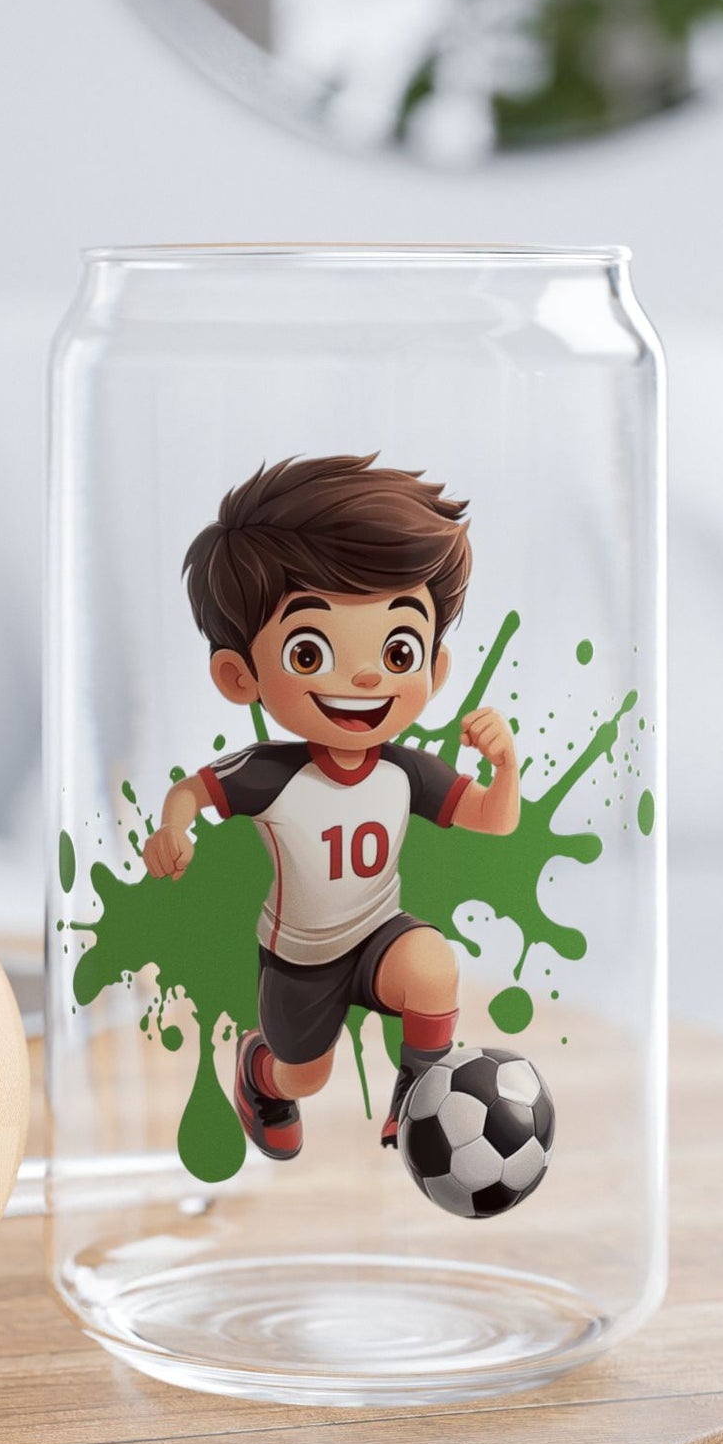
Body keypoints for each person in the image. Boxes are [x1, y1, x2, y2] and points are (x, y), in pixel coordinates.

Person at [144, 454, 521, 1160]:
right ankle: (260, 1070)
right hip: (301, 961)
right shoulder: (273, 774)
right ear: (239, 676)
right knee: (304, 1076)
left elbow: (494, 820)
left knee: (432, 964)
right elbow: (192, 790)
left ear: (435, 669)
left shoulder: (407, 771)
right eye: (310, 653)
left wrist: (504, 767)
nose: (368, 675)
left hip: (379, 936)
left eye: (399, 651)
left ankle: (419, 1091)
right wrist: (173, 827)